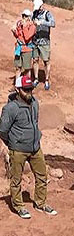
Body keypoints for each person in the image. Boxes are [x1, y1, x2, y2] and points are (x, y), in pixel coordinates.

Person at [0, 75, 57, 219]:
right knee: (16, 179)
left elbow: (35, 122)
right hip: (18, 149)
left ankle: (40, 203)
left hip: (35, 148)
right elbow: (3, 130)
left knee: (42, 176)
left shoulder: (35, 103)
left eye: (31, 89)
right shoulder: (10, 108)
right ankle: (19, 206)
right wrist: (13, 143)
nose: (29, 92)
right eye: (26, 89)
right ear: (18, 89)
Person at [32, 0, 55, 90]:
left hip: (44, 42)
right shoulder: (34, 13)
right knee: (35, 60)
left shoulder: (47, 14)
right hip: (35, 41)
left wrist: (42, 22)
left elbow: (53, 23)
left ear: (42, 5)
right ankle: (36, 78)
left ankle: (46, 79)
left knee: (46, 61)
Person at [12, 9, 36, 80]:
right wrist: (14, 31)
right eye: (23, 16)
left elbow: (27, 37)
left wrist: (25, 27)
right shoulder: (19, 25)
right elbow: (18, 36)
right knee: (18, 67)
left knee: (27, 68)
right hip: (19, 49)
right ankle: (17, 84)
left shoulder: (32, 27)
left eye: (25, 16)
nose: (23, 18)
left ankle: (26, 86)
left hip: (27, 49)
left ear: (29, 17)